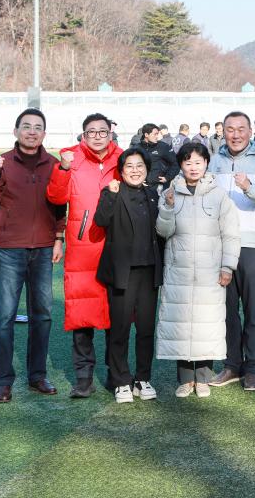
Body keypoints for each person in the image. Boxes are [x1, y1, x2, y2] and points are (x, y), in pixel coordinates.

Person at [0, 108, 65, 402]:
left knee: (42, 316)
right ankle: (4, 380)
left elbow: (60, 207)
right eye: (26, 126)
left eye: (37, 127)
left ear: (44, 133)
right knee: (4, 317)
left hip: (42, 250)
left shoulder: (53, 164)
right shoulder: (2, 163)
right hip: (8, 250)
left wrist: (58, 239)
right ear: (16, 131)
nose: (31, 131)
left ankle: (37, 375)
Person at [46, 113, 123, 398]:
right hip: (82, 246)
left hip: (116, 245)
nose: (98, 136)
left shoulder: (123, 158)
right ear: (83, 134)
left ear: (111, 133)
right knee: (82, 314)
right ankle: (83, 378)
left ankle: (117, 374)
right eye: (92, 132)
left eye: (102, 131)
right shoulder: (71, 159)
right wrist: (63, 169)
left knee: (117, 313)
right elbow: (56, 198)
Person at [155, 143, 240, 397]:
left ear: (206, 164)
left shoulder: (218, 194)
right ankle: (185, 379)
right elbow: (163, 231)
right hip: (178, 270)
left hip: (209, 272)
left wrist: (228, 266)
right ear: (181, 165)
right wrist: (168, 207)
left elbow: (231, 233)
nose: (193, 167)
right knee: (180, 323)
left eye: (198, 162)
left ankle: (203, 377)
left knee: (206, 323)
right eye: (188, 162)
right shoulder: (170, 192)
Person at [207, 111, 255, 391]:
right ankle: (232, 364)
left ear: (250, 131)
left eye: (241, 129)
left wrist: (248, 187)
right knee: (227, 309)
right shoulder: (214, 160)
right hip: (220, 244)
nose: (235, 134)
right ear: (224, 131)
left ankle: (253, 368)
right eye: (230, 129)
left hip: (251, 243)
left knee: (253, 309)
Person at [94, 148, 163, 403]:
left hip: (149, 271)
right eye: (129, 166)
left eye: (140, 166)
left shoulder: (152, 194)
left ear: (146, 169)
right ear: (121, 171)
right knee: (120, 329)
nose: (135, 170)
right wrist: (111, 196)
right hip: (122, 272)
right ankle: (121, 380)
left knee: (146, 328)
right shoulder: (113, 191)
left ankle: (142, 378)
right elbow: (101, 220)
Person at [138, 123, 179, 196]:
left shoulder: (163, 147)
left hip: (159, 188)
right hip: (141, 188)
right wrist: (137, 178)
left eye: (158, 134)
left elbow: (175, 163)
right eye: (155, 134)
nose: (157, 136)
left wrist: (167, 177)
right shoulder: (137, 148)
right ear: (146, 135)